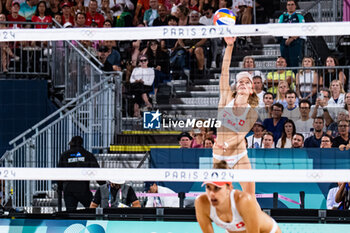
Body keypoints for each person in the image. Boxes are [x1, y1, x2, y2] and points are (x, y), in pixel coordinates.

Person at [214, 37, 259, 196]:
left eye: (247, 82)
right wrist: (230, 45)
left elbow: (240, 136)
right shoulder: (226, 98)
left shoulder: (252, 112)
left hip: (239, 155)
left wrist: (226, 143)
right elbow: (224, 70)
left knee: (250, 197)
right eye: (240, 81)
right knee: (218, 197)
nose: (242, 83)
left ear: (251, 90)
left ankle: (256, 220)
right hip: (220, 156)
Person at [195, 160, 281, 233]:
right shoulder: (201, 202)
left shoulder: (244, 201)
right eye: (208, 187)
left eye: (217, 188)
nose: (212, 193)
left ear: (229, 188)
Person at [57, 136, 102, 211]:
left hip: (68, 189)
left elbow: (59, 172)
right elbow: (96, 170)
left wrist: (60, 187)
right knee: (91, 211)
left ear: (71, 144)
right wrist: (102, 184)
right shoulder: (88, 155)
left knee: (70, 213)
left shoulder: (64, 155)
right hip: (83, 189)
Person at [278, 0, 304, 68]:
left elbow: (302, 29)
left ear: (295, 6)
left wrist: (292, 38)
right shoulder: (282, 17)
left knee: (294, 63)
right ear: (286, 6)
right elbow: (278, 29)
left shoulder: (299, 17)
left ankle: (295, 78)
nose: (290, 6)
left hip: (295, 42)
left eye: (292, 4)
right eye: (288, 5)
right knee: (284, 62)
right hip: (284, 42)